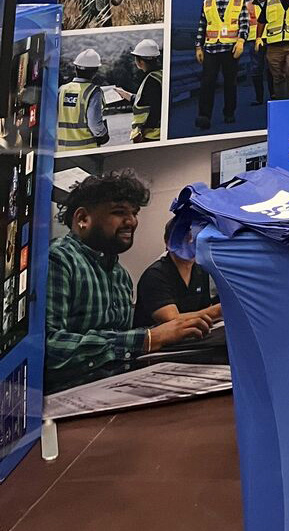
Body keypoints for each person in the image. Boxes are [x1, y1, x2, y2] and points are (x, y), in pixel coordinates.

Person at [45, 172, 211, 394]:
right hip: (69, 396)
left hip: (115, 388)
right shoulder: (58, 259)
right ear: (83, 218)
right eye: (119, 212)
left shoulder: (120, 275)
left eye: (134, 213)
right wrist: (148, 338)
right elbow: (48, 347)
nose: (131, 221)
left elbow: (121, 340)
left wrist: (166, 334)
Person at [134, 220, 221, 330]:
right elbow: (172, 320)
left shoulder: (201, 270)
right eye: (184, 237)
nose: (190, 242)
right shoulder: (155, 275)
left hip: (194, 335)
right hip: (162, 338)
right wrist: (218, 311)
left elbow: (204, 309)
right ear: (168, 242)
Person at [195, 0, 247, 129]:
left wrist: (241, 41)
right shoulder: (207, 3)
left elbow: (244, 24)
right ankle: (204, 116)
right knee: (207, 82)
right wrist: (198, 46)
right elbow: (202, 25)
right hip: (211, 49)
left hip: (230, 50)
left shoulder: (239, 1)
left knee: (230, 83)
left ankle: (229, 113)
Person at [57, 46, 109, 151]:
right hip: (86, 150)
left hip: (62, 150)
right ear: (95, 71)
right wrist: (104, 135)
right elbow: (94, 124)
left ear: (75, 68)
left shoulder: (62, 90)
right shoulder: (93, 91)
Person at [129, 37, 162, 143]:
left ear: (140, 61)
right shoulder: (161, 74)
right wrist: (127, 95)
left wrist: (139, 132)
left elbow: (150, 109)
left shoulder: (151, 80)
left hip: (152, 135)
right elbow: (149, 100)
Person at [247, 0, 272, 106]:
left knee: (271, 68)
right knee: (256, 69)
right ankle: (259, 98)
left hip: (271, 39)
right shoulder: (248, 5)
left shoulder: (274, 3)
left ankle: (274, 96)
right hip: (254, 41)